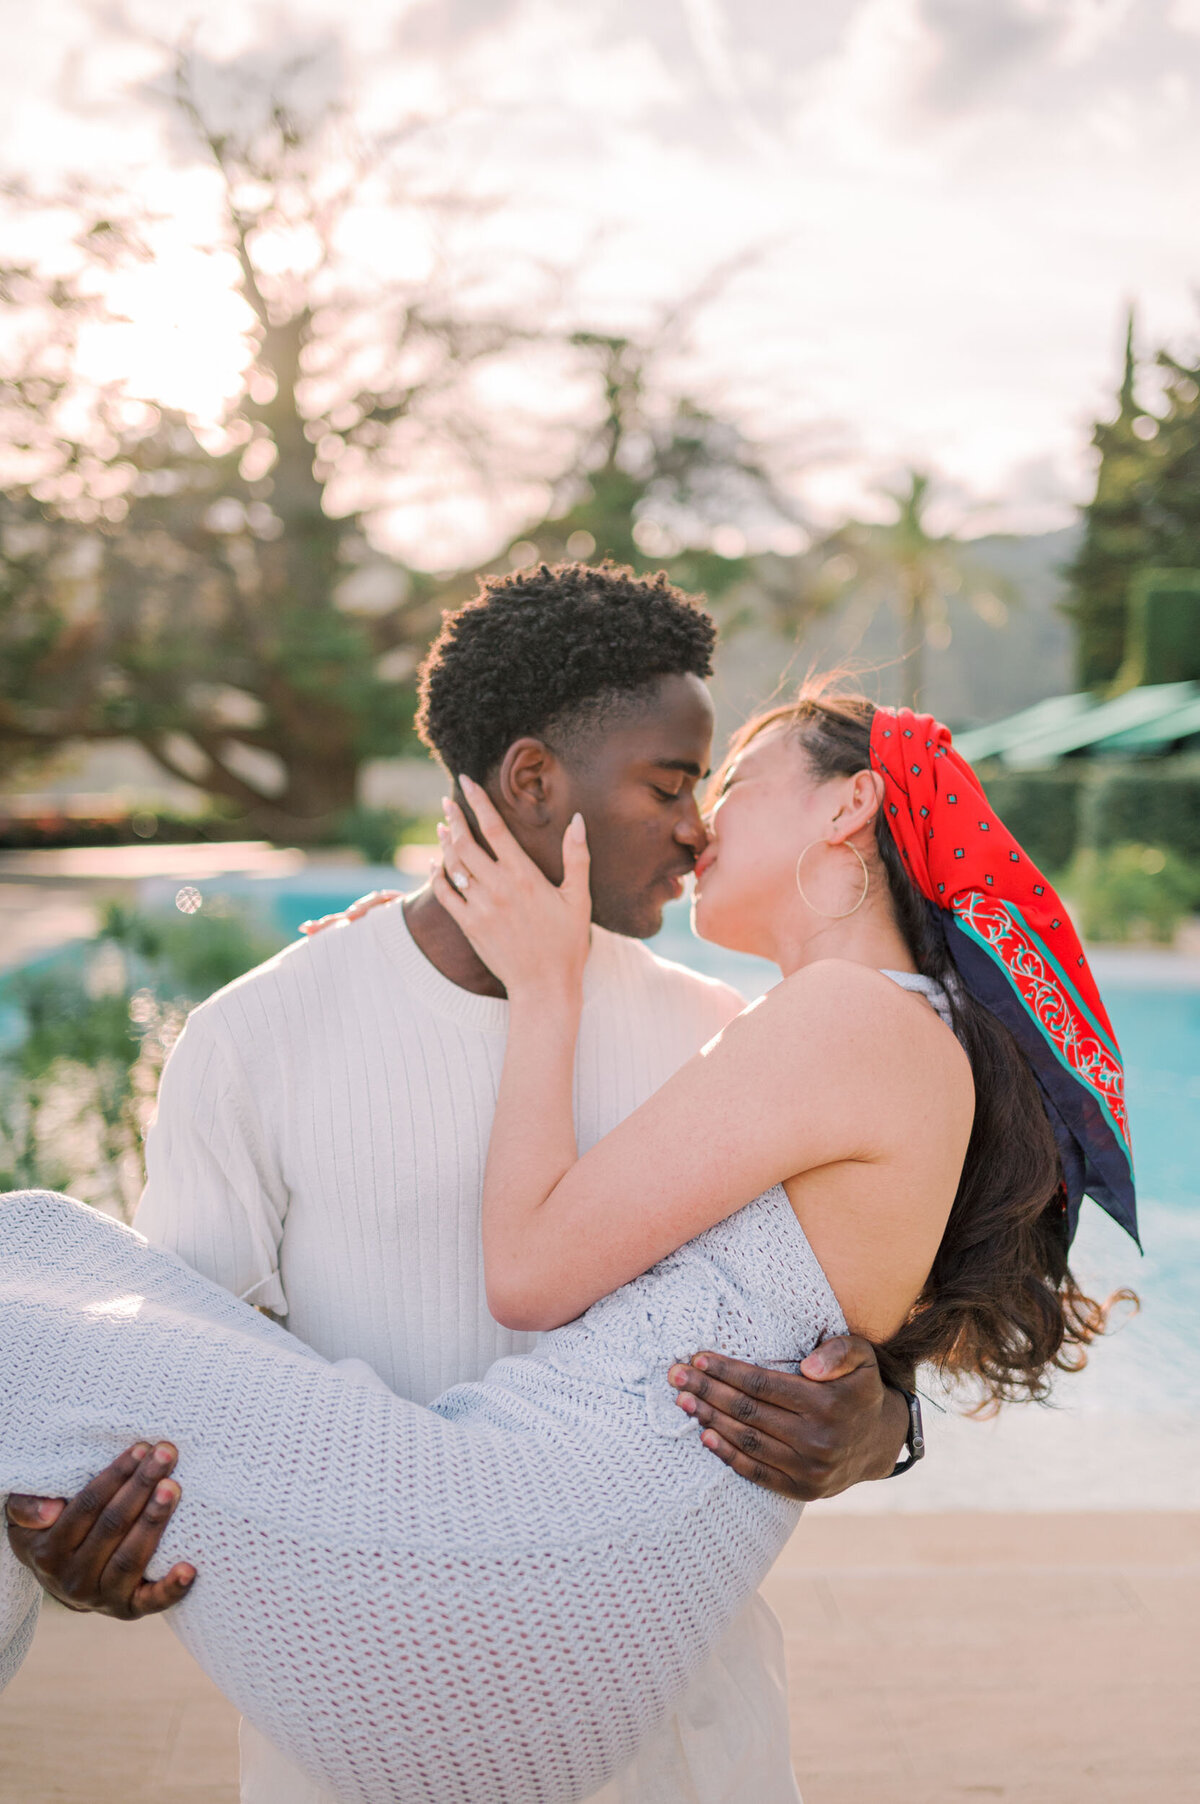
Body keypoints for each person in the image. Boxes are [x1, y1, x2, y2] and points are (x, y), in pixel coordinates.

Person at [0, 682, 1137, 1804]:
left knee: (24, 1252)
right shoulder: (857, 1034)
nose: (701, 824)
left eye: (730, 784)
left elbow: (532, 1276)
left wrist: (543, 984)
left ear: (850, 805)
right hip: (549, 1612)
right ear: (531, 779)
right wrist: (407, 946)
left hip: (513, 1573)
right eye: (678, 786)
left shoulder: (835, 1021)